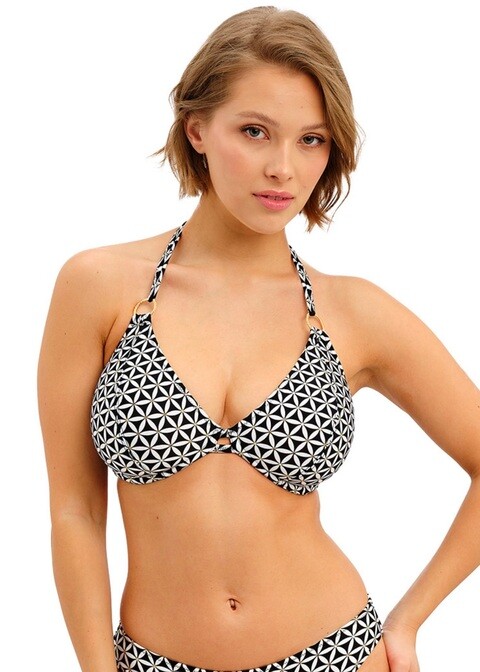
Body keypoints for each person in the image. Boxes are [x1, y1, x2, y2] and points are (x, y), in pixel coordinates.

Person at [37, 6, 480, 672]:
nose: (283, 168)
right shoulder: (99, 288)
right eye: (255, 131)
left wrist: (407, 622)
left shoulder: (352, 311)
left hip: (335, 654)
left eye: (311, 140)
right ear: (197, 129)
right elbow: (75, 511)